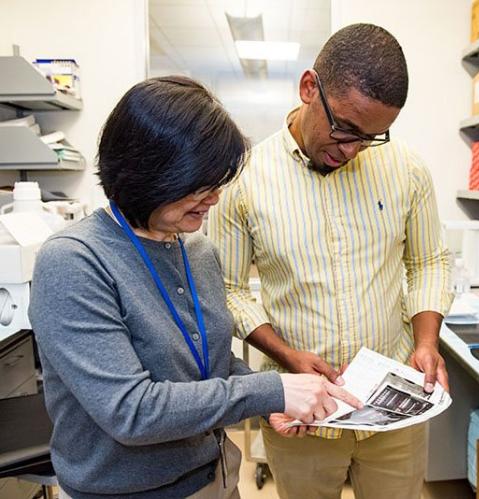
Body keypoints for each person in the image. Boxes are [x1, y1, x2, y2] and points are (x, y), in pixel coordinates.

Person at [28, 76, 360, 499]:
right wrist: (270, 389)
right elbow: (131, 411)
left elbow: (212, 364)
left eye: (218, 182)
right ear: (148, 172)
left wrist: (272, 402)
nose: (215, 198)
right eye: (200, 184)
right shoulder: (74, 262)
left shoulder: (198, 251)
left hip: (214, 476)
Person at [207, 23, 453, 499]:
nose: (352, 150)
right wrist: (285, 355)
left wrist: (427, 341)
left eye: (371, 138)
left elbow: (429, 261)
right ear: (308, 89)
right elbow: (229, 290)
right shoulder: (246, 179)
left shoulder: (407, 170)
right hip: (304, 412)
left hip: (393, 413)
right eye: (345, 129)